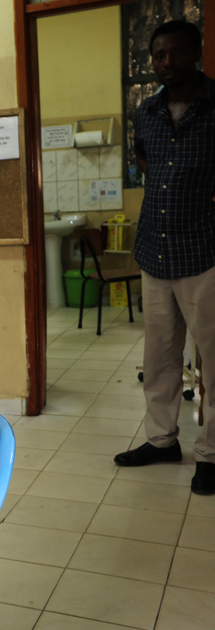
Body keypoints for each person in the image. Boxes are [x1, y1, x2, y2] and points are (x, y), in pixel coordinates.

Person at [112, 20, 215, 495]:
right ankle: (161, 440)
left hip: (205, 252)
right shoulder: (147, 112)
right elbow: (147, 165)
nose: (166, 63)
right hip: (155, 250)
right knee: (159, 359)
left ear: (195, 52)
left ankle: (211, 453)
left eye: (175, 53)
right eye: (158, 56)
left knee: (212, 362)